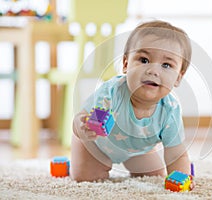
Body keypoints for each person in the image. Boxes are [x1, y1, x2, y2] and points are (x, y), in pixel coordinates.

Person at [71, 20, 195, 189]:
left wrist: (183, 178)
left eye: (166, 65)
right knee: (86, 178)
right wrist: (81, 128)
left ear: (178, 78)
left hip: (135, 151)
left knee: (155, 175)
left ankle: (140, 156)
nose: (153, 71)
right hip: (96, 145)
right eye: (144, 60)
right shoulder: (112, 93)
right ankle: (83, 161)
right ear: (126, 64)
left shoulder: (170, 110)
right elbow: (82, 118)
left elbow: (176, 154)